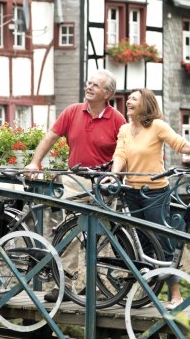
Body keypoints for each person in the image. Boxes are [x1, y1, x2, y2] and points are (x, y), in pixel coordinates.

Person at [24, 69, 126, 302]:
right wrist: (34, 162)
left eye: (96, 85)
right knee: (69, 232)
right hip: (75, 180)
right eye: (89, 83)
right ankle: (64, 284)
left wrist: (117, 177)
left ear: (107, 93)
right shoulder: (72, 112)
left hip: (103, 183)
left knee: (102, 236)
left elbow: (125, 150)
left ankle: (99, 285)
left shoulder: (117, 119)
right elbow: (50, 136)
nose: (89, 87)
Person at [107, 88, 190, 310]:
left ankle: (175, 295)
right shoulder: (125, 129)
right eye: (128, 99)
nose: (128, 102)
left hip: (155, 192)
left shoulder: (157, 126)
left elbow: (178, 143)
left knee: (161, 238)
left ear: (145, 104)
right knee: (141, 242)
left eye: (134, 99)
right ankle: (147, 292)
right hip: (132, 191)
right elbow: (120, 154)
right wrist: (113, 175)